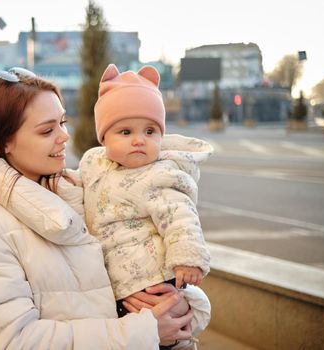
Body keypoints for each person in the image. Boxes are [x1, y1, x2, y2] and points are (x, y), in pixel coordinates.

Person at [0, 67, 194, 349]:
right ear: (4, 142)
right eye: (47, 130)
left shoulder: (84, 190)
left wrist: (173, 302)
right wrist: (142, 332)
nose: (64, 136)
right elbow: (7, 341)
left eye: (63, 122)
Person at [64, 64, 213, 349]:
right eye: (124, 131)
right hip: (117, 282)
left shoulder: (160, 175)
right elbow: (78, 186)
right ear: (103, 138)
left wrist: (188, 257)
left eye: (149, 131)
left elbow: (180, 216)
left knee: (166, 328)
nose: (138, 140)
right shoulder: (94, 165)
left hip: (153, 280)